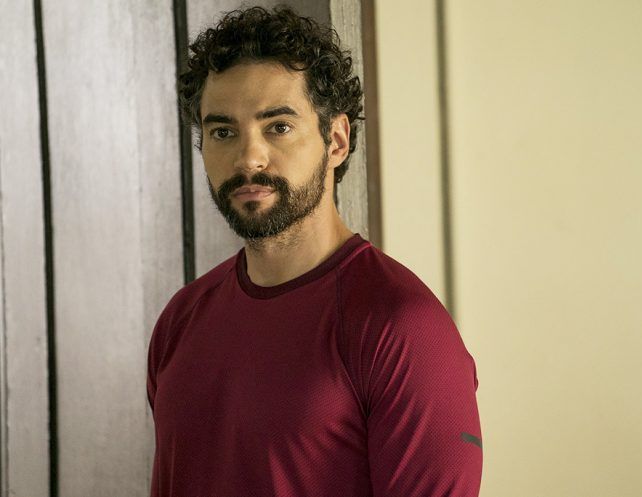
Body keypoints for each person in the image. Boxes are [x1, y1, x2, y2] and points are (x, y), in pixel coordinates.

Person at [146, 5, 482, 496]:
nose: (249, 157)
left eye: (278, 127)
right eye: (223, 132)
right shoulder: (181, 320)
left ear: (337, 140)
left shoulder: (405, 330)